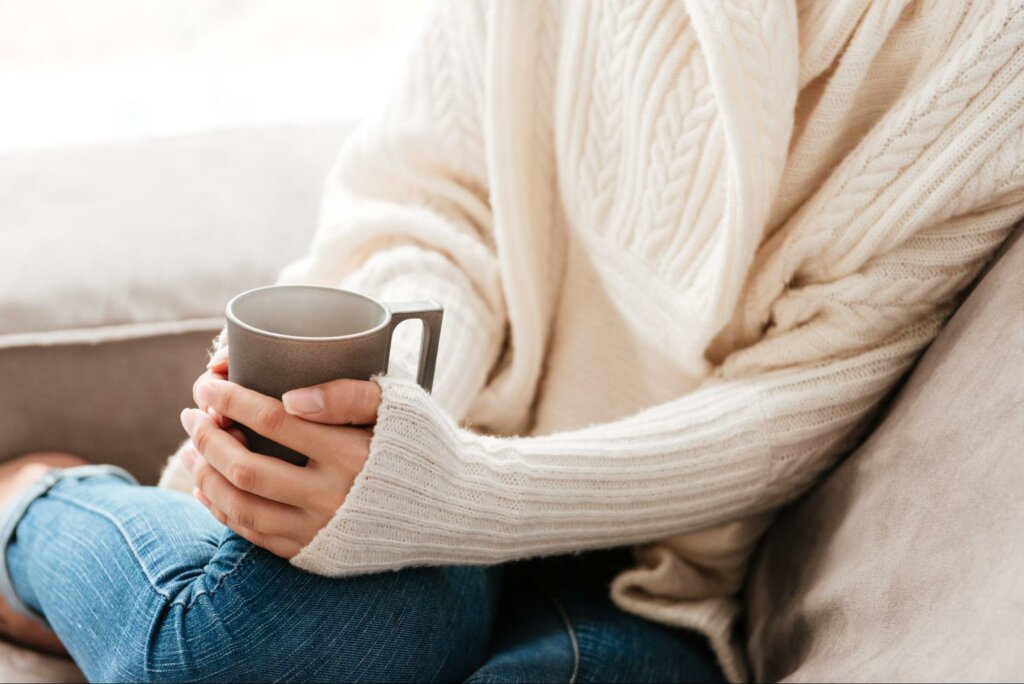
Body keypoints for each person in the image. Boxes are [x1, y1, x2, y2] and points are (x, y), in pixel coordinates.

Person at [3, 1, 1024, 681]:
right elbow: (434, 199)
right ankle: (34, 508)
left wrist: (463, 496)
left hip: (658, 573)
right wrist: (400, 408)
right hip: (433, 455)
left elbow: (792, 403)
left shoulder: (990, 51)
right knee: (243, 647)